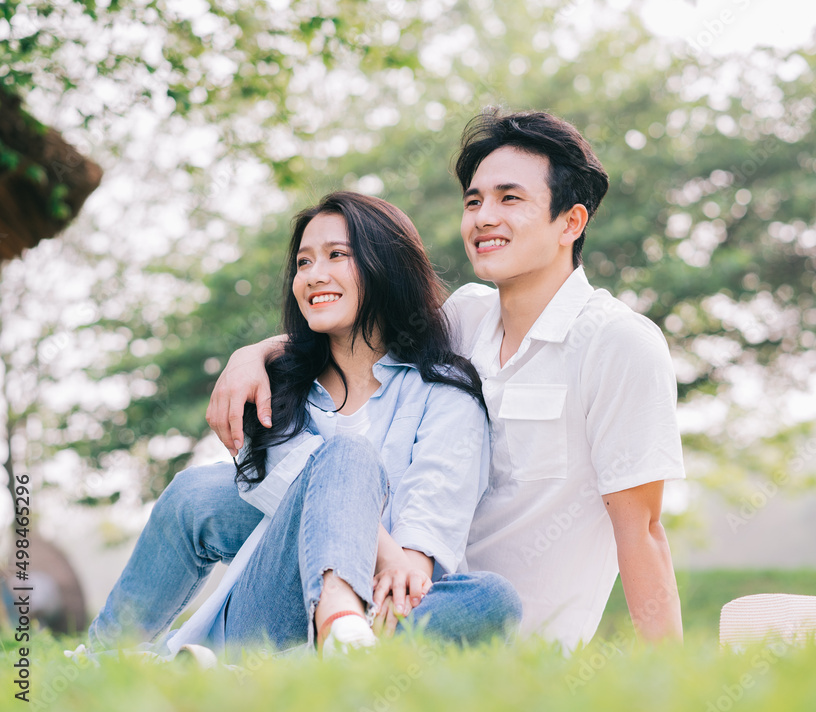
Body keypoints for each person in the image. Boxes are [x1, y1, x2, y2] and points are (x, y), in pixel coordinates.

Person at [209, 109, 686, 651]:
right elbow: (355, 335)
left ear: (570, 222)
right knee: (213, 492)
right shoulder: (466, 317)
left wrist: (672, 683)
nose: (483, 217)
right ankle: (200, 643)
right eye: (474, 200)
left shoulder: (618, 343)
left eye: (510, 199)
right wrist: (254, 355)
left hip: (502, 635)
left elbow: (643, 530)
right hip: (395, 596)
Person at [88, 191, 521, 659]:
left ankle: (284, 665)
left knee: (492, 600)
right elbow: (284, 484)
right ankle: (104, 656)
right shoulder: (279, 390)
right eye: (304, 262)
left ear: (387, 265)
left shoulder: (445, 391)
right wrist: (384, 552)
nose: (314, 275)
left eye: (337, 255)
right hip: (266, 613)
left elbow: (433, 517)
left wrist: (403, 563)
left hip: (385, 605)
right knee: (224, 484)